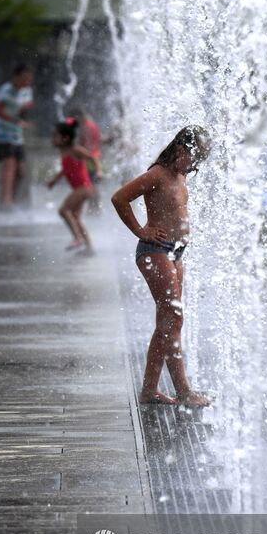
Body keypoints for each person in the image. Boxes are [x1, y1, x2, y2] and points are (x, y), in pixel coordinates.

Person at [110, 125, 212, 408]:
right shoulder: (157, 174)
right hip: (155, 251)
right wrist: (140, 230)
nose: (194, 167)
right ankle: (184, 392)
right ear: (180, 150)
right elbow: (119, 198)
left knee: (166, 322)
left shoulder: (178, 174)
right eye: (193, 159)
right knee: (174, 319)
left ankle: (150, 390)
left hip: (175, 253)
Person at [46, 118, 97, 256]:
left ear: (65, 138)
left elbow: (91, 157)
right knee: (75, 217)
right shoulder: (64, 153)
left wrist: (98, 171)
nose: (52, 138)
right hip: (81, 189)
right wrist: (53, 181)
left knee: (63, 210)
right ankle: (89, 247)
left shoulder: (75, 150)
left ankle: (78, 238)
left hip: (83, 188)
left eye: (55, 136)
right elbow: (65, 170)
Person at [0, 64, 34, 211]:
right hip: (3, 135)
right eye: (24, 78)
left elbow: (26, 107)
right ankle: (6, 202)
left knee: (21, 170)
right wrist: (15, 121)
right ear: (16, 77)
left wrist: (24, 118)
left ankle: (16, 200)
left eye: (29, 79)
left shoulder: (27, 91)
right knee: (9, 167)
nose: (27, 82)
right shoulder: (6, 90)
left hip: (18, 136)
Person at [70, 104, 103, 212]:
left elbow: (87, 144)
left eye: (74, 118)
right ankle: (95, 207)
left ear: (78, 115)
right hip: (96, 157)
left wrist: (79, 155)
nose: (73, 121)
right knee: (93, 184)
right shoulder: (92, 124)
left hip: (89, 159)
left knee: (89, 184)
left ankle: (93, 208)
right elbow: (99, 139)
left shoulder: (85, 126)